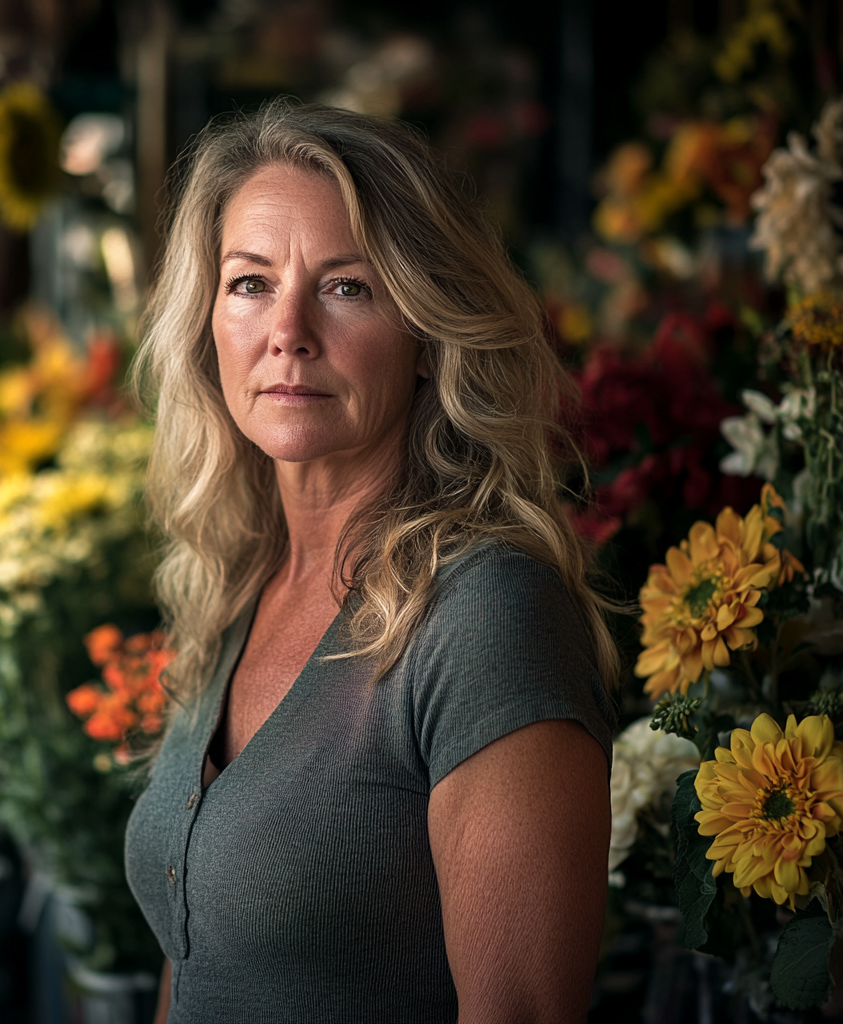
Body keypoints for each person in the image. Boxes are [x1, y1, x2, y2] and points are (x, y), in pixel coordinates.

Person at [127, 99, 618, 1024]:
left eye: (347, 286)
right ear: (206, 321)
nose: (289, 332)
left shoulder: (485, 616)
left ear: (428, 335)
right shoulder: (242, 579)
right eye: (249, 283)